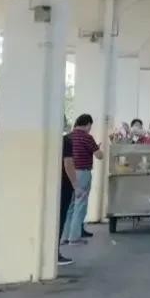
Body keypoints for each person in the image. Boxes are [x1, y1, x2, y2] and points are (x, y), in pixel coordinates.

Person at [61, 114, 103, 245]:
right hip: (83, 173)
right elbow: (99, 155)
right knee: (80, 205)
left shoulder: (68, 137)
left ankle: (64, 236)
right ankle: (75, 237)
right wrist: (98, 148)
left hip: (70, 173)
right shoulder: (87, 137)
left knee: (70, 206)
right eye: (90, 126)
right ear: (88, 124)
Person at [57, 130, 75, 266]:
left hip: (54, 186)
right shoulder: (66, 142)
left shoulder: (59, 141)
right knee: (60, 218)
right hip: (64, 185)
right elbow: (68, 163)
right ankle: (55, 254)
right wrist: (76, 185)